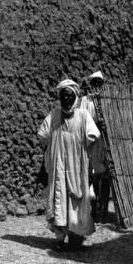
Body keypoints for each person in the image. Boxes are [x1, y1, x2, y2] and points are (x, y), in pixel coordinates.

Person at [37, 79, 100, 252]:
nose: (66, 100)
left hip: (78, 169)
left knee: (77, 201)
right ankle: (59, 237)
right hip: (58, 168)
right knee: (59, 199)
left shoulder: (83, 116)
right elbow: (43, 137)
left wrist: (91, 167)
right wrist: (45, 164)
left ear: (76, 97)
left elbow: (93, 137)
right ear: (59, 97)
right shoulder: (54, 116)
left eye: (69, 96)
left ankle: (76, 236)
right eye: (63, 96)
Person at [79, 71, 111, 222]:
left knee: (105, 176)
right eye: (94, 83)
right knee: (91, 176)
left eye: (99, 83)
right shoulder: (86, 100)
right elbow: (83, 118)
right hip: (91, 141)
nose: (97, 86)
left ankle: (104, 208)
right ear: (91, 85)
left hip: (105, 142)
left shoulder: (108, 100)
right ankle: (93, 209)